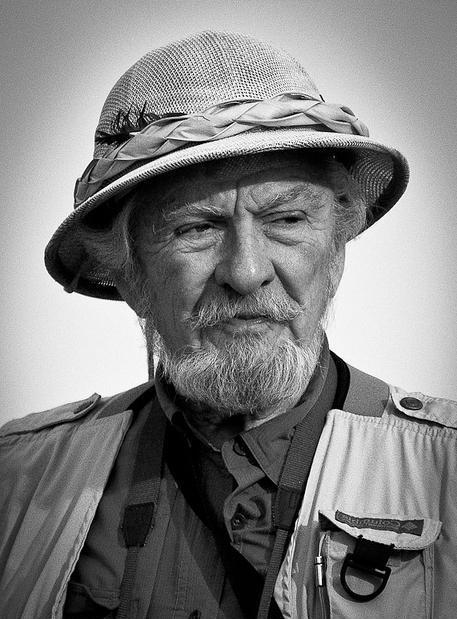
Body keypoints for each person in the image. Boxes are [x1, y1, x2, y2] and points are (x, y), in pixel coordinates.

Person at [0, 30, 456, 619]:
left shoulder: (444, 470)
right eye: (195, 228)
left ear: (336, 250)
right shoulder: (20, 481)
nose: (245, 273)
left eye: (286, 219)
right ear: (130, 277)